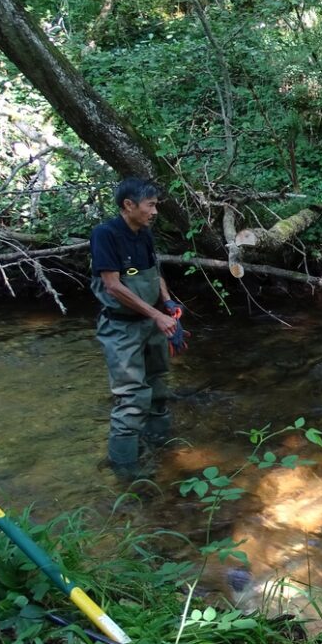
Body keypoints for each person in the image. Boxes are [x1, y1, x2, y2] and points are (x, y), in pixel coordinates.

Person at [89, 178, 185, 480]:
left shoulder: (144, 233)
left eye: (155, 204)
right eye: (151, 205)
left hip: (151, 322)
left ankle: (160, 446)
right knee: (131, 399)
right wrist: (157, 315)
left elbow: (154, 273)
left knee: (157, 386)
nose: (155, 211)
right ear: (128, 205)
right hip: (121, 329)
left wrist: (168, 305)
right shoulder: (105, 234)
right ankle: (126, 473)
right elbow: (113, 287)